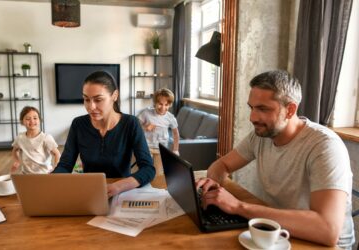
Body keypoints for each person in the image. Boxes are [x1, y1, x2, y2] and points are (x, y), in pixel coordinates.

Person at [196, 70, 354, 248]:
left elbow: (327, 230)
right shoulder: (260, 136)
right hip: (279, 233)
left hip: (326, 245)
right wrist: (213, 188)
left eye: (263, 109)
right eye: (252, 107)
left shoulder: (324, 146)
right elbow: (222, 164)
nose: (253, 117)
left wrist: (239, 207)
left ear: (290, 110)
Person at [53, 71, 156, 198]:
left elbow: (148, 168)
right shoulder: (78, 124)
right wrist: (52, 180)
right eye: (86, 99)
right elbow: (65, 165)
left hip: (122, 193)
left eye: (98, 100)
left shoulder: (130, 123)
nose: (91, 106)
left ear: (115, 96)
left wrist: (119, 186)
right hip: (90, 193)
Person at [11, 106, 61, 174]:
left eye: (35, 118)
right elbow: (14, 150)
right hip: (25, 173)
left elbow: (57, 153)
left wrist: (56, 168)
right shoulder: (20, 138)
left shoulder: (46, 138)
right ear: (22, 121)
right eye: (28, 119)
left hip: (44, 173)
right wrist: (16, 161)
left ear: (39, 120)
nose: (32, 121)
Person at [138, 88, 180, 154]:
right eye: (160, 104)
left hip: (162, 149)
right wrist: (145, 127)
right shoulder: (146, 113)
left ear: (170, 105)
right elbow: (135, 126)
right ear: (155, 103)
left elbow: (176, 134)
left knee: (159, 164)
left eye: (166, 105)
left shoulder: (171, 117)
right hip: (146, 147)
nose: (163, 108)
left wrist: (175, 150)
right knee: (146, 164)